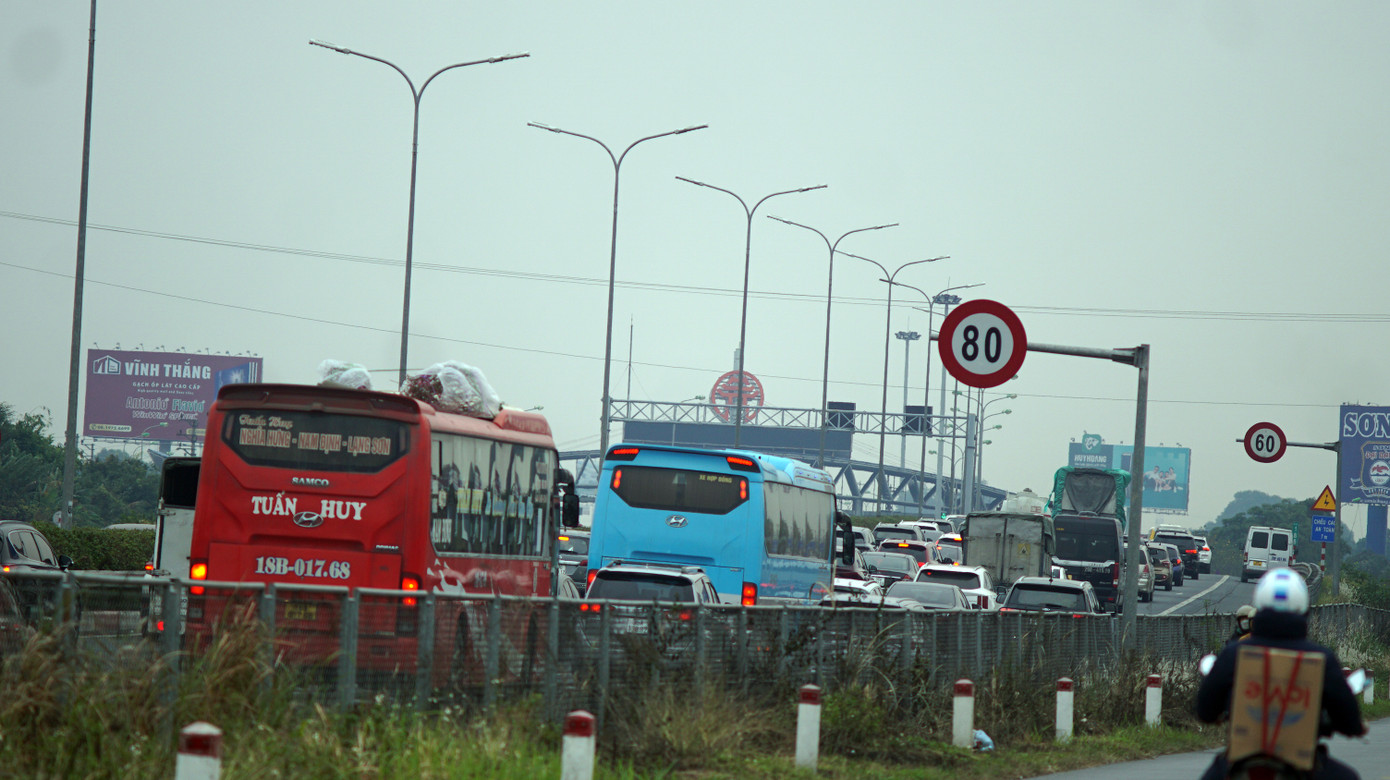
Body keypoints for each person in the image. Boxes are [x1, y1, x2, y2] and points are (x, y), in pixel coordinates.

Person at [1195, 570, 1365, 780]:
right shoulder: (1322, 658)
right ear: (1303, 608)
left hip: (1243, 758)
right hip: (1302, 762)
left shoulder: (1234, 653)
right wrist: (1351, 726)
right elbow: (1349, 718)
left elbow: (1205, 710)